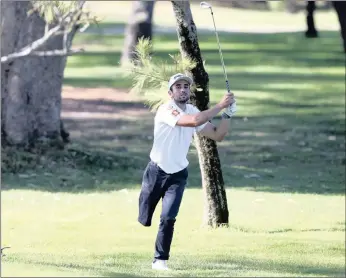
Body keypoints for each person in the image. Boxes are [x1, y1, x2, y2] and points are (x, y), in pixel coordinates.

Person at [138, 73, 237, 271]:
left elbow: (218, 135)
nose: (183, 89)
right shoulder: (166, 110)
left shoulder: (192, 109)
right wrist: (219, 106)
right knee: (144, 218)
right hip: (156, 171)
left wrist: (227, 115)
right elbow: (192, 121)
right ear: (170, 92)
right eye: (178, 86)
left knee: (168, 217)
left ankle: (160, 260)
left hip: (178, 174)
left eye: (185, 86)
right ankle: (145, 217)